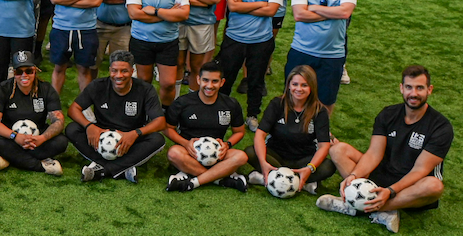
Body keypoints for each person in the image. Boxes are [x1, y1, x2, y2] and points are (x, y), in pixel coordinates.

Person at [318, 65, 451, 233]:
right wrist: (354, 176)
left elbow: (421, 169)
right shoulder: (388, 114)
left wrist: (391, 191)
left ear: (429, 90)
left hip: (412, 184)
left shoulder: (441, 127)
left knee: (434, 186)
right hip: (382, 175)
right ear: (401, 88)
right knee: (338, 150)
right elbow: (374, 154)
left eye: (420, 88)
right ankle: (379, 209)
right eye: (409, 87)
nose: (414, 93)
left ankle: (363, 206)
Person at [67, 50, 166, 182]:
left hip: (130, 139)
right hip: (101, 136)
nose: (118, 75)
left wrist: (135, 133)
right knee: (72, 129)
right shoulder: (98, 86)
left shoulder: (145, 89)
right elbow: (73, 109)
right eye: (114, 71)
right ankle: (124, 167)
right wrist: (90, 126)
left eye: (124, 71)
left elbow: (160, 121)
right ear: (109, 70)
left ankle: (103, 169)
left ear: (132, 71)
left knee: (157, 139)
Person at [285, 0, 357, 116]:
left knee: (326, 99)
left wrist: (314, 7)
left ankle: (320, 134)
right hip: (302, 50)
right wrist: (333, 12)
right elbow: (299, 15)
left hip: (332, 54)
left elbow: (345, 12)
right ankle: (288, 131)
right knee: (292, 95)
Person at [218, 0, 284, 127]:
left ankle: (252, 115)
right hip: (234, 38)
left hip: (261, 41)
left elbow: (271, 11)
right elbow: (232, 6)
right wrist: (261, 3)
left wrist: (243, 6)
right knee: (227, 78)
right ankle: (221, 111)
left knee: (256, 81)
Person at [244, 65, 334, 194]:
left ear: (312, 87)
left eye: (304, 85)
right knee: (250, 152)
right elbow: (260, 134)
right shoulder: (277, 103)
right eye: (295, 84)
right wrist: (263, 162)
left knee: (328, 166)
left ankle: (270, 179)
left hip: (303, 159)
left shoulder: (319, 111)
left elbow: (324, 145)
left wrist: (310, 168)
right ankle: (301, 183)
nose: (299, 89)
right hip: (276, 157)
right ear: (289, 85)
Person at [164, 62, 249, 192]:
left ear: (222, 82)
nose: (209, 86)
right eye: (205, 80)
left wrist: (227, 144)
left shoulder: (230, 104)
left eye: (215, 81)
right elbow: (168, 128)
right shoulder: (182, 102)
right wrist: (185, 143)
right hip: (189, 153)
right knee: (174, 153)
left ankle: (194, 180)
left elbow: (239, 132)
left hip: (217, 154)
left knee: (241, 156)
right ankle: (219, 178)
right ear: (198, 80)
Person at [126, 0, 190, 108]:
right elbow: (134, 13)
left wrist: (154, 11)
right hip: (142, 40)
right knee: (144, 82)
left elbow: (184, 14)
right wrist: (168, 14)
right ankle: (145, 112)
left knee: (168, 83)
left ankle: (166, 113)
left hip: (168, 42)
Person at [0, 51, 66, 176]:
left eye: (28, 71)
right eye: (19, 72)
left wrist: (41, 138)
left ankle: (10, 158)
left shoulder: (46, 89)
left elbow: (58, 121)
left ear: (35, 71)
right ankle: (42, 166)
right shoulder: (2, 89)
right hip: (10, 137)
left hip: (37, 139)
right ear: (13, 72)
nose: (24, 75)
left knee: (61, 141)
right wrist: (15, 136)